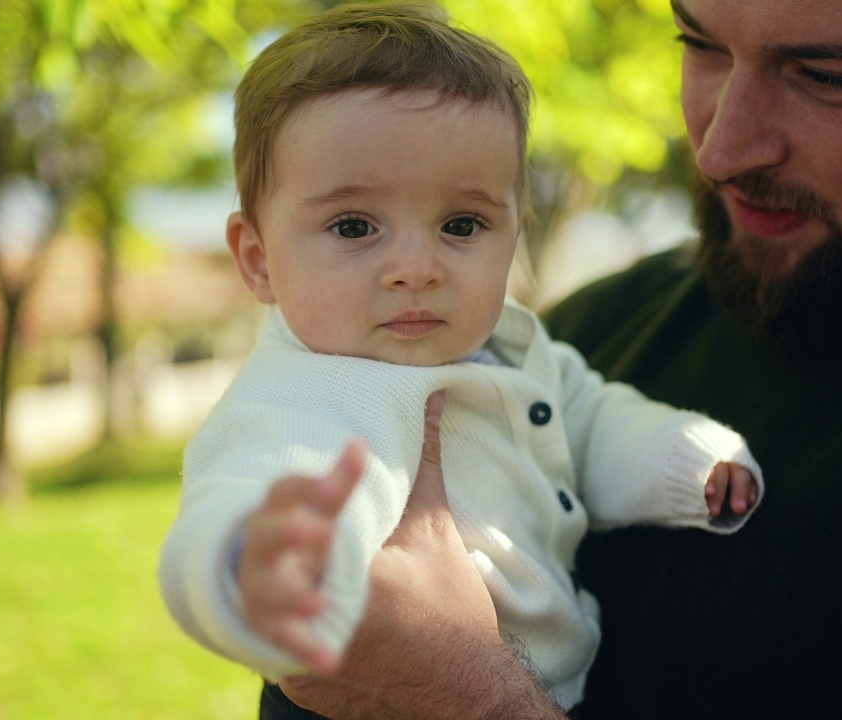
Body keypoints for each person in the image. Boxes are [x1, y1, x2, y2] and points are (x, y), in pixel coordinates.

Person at [273, 0, 842, 717]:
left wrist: (473, 699)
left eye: (828, 77)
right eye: (701, 46)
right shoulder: (589, 332)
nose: (721, 148)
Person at [156, 2, 764, 715]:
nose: (416, 267)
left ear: (516, 231)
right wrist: (251, 569)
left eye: (462, 224)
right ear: (258, 260)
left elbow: (593, 420)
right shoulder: (307, 397)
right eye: (354, 226)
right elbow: (239, 499)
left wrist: (687, 461)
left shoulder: (509, 347)